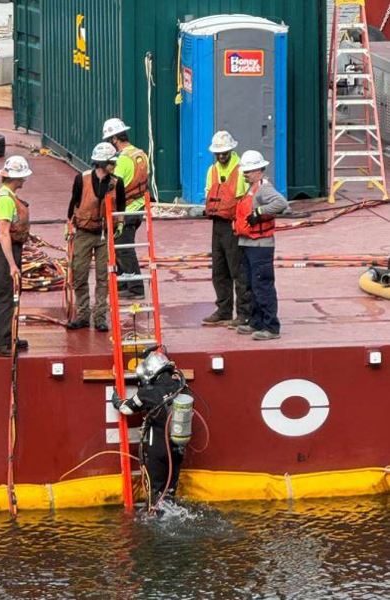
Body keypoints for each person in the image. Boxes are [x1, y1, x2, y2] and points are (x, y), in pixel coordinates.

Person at [111, 348, 192, 512]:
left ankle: (155, 519)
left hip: (158, 449)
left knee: (155, 493)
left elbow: (127, 409)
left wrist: (116, 400)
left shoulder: (148, 392)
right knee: (169, 493)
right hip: (178, 448)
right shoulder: (181, 387)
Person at [66, 142, 126, 332]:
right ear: (101, 163)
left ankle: (100, 317)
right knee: (80, 275)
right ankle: (82, 315)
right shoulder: (81, 179)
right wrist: (69, 226)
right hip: (83, 233)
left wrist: (120, 223)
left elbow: (121, 207)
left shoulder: (117, 182)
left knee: (104, 277)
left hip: (104, 235)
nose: (114, 165)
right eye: (111, 162)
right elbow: (73, 204)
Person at [233, 150, 289, 340]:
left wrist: (259, 212)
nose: (245, 174)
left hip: (260, 246)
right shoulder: (252, 188)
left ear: (258, 170)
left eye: (248, 171)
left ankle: (271, 327)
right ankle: (256, 321)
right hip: (249, 244)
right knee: (252, 285)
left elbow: (281, 203)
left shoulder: (263, 188)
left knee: (262, 286)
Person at [202, 131, 251, 328]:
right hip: (218, 224)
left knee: (238, 271)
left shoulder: (240, 171)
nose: (221, 156)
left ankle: (244, 313)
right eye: (218, 153)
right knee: (219, 270)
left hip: (234, 225)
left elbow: (245, 198)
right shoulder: (211, 170)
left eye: (225, 153)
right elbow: (208, 193)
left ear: (231, 150)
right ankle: (223, 310)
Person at [0, 156, 32, 357]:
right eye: (23, 177)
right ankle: (3, 343)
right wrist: (12, 264)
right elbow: (4, 233)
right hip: (4, 252)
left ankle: (10, 335)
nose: (25, 180)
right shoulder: (5, 200)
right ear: (16, 178)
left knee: (13, 292)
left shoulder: (8, 195)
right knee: (6, 295)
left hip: (11, 249)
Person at [102, 118, 148, 300]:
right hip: (138, 208)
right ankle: (122, 283)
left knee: (123, 248)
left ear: (114, 139)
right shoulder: (140, 154)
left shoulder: (121, 161)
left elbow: (113, 186)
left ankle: (136, 288)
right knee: (117, 245)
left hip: (125, 211)